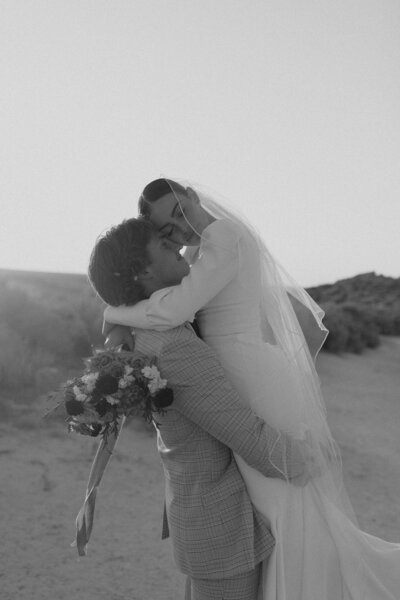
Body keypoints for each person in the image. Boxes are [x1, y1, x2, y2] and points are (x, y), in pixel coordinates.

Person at [103, 178, 400, 600]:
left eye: (179, 210)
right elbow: (164, 298)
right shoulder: (197, 251)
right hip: (231, 373)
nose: (179, 226)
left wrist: (113, 311)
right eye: (166, 228)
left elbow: (175, 308)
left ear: (191, 194)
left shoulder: (225, 236)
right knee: (270, 504)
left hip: (250, 374)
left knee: (281, 499)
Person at [88, 217, 315, 600]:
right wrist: (305, 461)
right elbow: (242, 430)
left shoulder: (144, 330)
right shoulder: (171, 345)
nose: (177, 246)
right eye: (164, 246)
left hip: (200, 514)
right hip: (219, 525)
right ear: (144, 270)